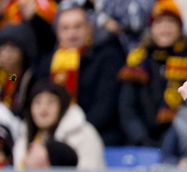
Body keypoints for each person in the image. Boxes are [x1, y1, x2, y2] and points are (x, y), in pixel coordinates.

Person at [35, 0, 125, 145]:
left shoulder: (108, 57)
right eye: (65, 28)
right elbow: (35, 99)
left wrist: (71, 132)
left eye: (78, 27)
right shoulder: (47, 63)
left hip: (96, 135)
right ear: (57, 32)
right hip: (54, 136)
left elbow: (105, 108)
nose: (72, 34)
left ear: (90, 29)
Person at [117, 0, 187, 148]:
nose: (164, 28)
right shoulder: (137, 62)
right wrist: (142, 139)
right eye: (159, 23)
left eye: (170, 22)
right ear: (151, 28)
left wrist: (170, 142)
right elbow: (127, 109)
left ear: (180, 27)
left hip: (182, 143)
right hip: (141, 144)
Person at [13, 78, 103, 170]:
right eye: (37, 102)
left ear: (62, 107)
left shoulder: (84, 134)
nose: (43, 108)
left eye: (51, 102)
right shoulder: (24, 138)